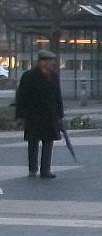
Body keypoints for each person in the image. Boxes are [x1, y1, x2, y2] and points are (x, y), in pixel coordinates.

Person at [15, 49, 65, 179]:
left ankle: (45, 169)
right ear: (41, 62)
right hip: (34, 115)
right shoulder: (29, 76)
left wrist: (60, 114)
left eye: (52, 61)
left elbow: (57, 96)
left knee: (48, 142)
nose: (51, 64)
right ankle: (33, 169)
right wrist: (21, 115)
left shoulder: (53, 76)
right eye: (49, 61)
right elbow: (21, 97)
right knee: (33, 142)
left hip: (50, 115)